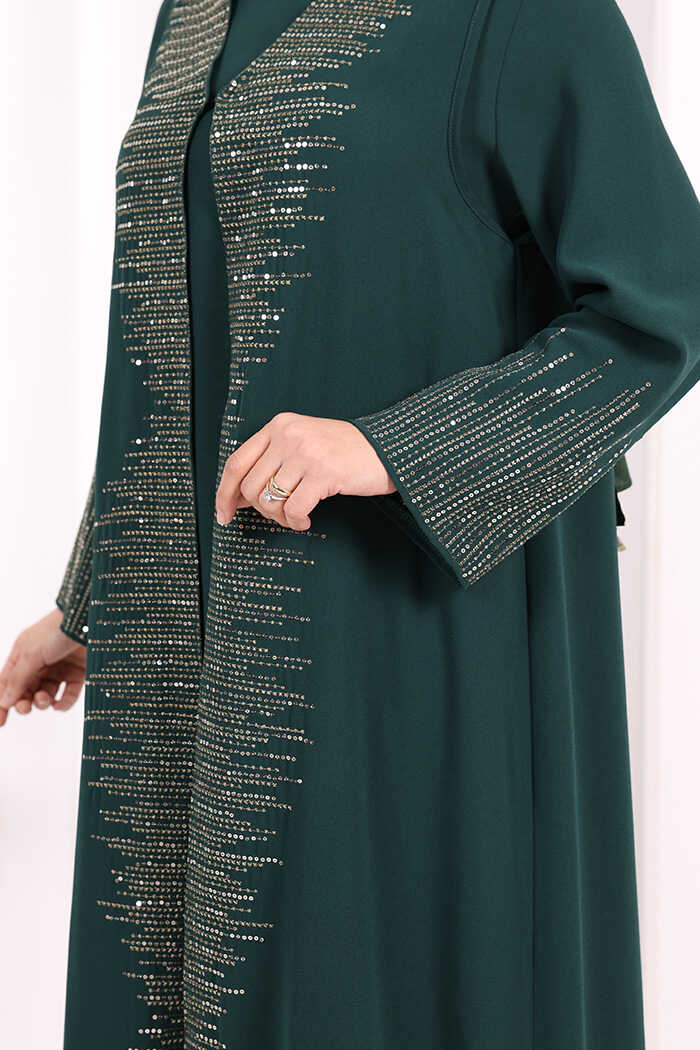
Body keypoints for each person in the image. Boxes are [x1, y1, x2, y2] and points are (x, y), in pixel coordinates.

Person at [3, 1, 700, 1047]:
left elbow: (664, 306)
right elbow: (184, 341)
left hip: (402, 644)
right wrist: (95, 596)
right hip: (184, 668)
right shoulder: (193, 14)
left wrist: (393, 449)